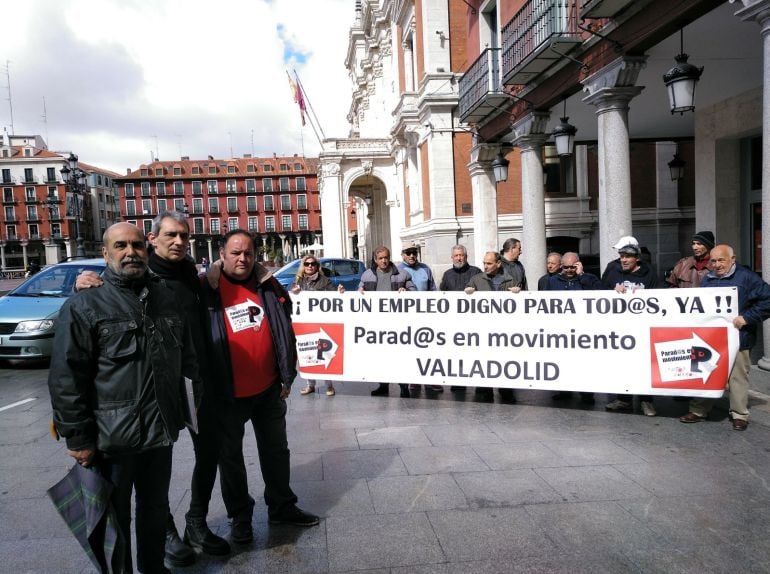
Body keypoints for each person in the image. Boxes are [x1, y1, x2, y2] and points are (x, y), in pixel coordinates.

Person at [75, 211, 231, 565]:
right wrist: (78, 436)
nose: (178, 241)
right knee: (133, 498)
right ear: (153, 238)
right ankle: (167, 533)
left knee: (205, 457)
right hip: (135, 408)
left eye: (184, 236)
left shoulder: (188, 273)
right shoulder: (126, 283)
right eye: (171, 235)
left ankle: (194, 524)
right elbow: (73, 364)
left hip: (187, 391)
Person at [48, 222, 200, 574]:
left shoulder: (166, 298)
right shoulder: (85, 303)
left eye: (136, 245)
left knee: (155, 510)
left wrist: (190, 410)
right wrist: (79, 438)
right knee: (112, 523)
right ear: (105, 253)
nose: (130, 252)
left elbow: (186, 360)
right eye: (120, 246)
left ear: (146, 250)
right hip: (111, 438)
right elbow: (66, 377)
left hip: (160, 432)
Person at [204, 230, 319, 545]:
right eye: (235, 253)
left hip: (269, 389)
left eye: (248, 253)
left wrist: (286, 375)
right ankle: (240, 517)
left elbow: (284, 328)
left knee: (276, 452)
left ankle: (282, 507)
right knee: (231, 460)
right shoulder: (205, 289)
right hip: (227, 394)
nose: (242, 259)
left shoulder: (268, 284)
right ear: (222, 254)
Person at [679, 244, 770, 430]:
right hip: (712, 339)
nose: (717, 264)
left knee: (738, 376)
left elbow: (768, 299)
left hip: (739, 337)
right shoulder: (708, 280)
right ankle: (699, 410)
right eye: (713, 261)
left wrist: (747, 318)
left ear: (732, 259)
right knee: (706, 372)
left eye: (722, 260)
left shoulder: (747, 278)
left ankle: (739, 414)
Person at [602, 238, 662, 416]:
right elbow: (598, 291)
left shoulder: (649, 273)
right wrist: (612, 292)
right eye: (621, 256)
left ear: (637, 258)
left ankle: (646, 401)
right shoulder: (613, 271)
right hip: (620, 330)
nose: (623, 260)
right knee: (623, 365)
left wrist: (645, 296)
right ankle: (623, 399)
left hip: (643, 329)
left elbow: (660, 296)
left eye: (628, 256)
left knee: (644, 365)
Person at [544, 252, 604, 403]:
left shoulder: (589, 278)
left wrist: (582, 275)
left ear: (578, 265)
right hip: (561, 331)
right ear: (561, 266)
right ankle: (564, 391)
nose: (570, 270)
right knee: (563, 361)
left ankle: (586, 394)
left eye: (573, 267)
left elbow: (601, 294)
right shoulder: (552, 281)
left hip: (584, 330)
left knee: (584, 363)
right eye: (566, 267)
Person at [359, 246, 416, 397]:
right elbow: (360, 292)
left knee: (399, 356)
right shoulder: (367, 275)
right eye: (381, 258)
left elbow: (414, 291)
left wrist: (407, 291)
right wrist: (360, 293)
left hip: (397, 323)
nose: (384, 260)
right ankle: (383, 385)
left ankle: (403, 386)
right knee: (381, 356)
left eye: (386, 257)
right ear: (375, 260)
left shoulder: (402, 275)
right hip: (377, 324)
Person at [465, 251, 517, 403]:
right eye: (484, 263)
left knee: (504, 360)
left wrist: (518, 293)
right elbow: (465, 299)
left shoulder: (510, 280)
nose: (485, 266)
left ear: (498, 263)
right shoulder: (476, 279)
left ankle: (506, 389)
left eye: (489, 263)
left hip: (503, 331)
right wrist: (468, 292)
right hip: (483, 330)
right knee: (483, 360)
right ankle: (483, 390)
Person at [293, 254, 340, 397]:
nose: (310, 266)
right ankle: (310, 385)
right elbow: (291, 299)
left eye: (313, 264)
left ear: (317, 266)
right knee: (307, 354)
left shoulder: (325, 281)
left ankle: (329, 386)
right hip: (306, 324)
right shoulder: (298, 281)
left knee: (325, 353)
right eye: (307, 264)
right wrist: (293, 293)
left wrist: (340, 292)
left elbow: (334, 296)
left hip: (322, 322)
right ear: (303, 266)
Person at [398, 243, 441, 392]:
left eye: (414, 252)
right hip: (407, 316)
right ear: (402, 254)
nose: (412, 256)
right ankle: (414, 379)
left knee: (429, 348)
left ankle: (431, 379)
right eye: (408, 253)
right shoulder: (397, 270)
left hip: (426, 315)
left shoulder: (425, 268)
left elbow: (433, 290)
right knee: (411, 349)